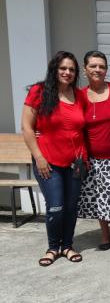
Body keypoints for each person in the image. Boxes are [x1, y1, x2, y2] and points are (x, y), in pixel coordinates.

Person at [22, 51, 87, 266]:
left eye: (71, 69)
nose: (67, 72)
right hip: (48, 162)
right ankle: (53, 247)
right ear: (54, 69)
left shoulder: (79, 96)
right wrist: (38, 157)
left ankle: (67, 246)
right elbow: (27, 128)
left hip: (75, 163)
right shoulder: (38, 92)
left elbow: (82, 128)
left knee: (71, 206)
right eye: (63, 68)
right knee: (56, 206)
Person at [77, 50, 110, 251]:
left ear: (106, 69)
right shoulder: (79, 96)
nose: (98, 69)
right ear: (85, 69)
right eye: (93, 66)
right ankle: (105, 235)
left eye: (102, 66)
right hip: (93, 159)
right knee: (99, 197)